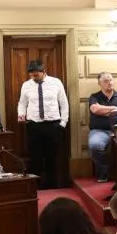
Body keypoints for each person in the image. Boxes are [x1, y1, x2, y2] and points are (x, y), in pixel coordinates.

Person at [17, 60, 69, 189]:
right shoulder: (26, 85)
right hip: (34, 126)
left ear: (44, 72)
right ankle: (36, 188)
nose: (33, 77)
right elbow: (22, 103)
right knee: (35, 158)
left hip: (53, 125)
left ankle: (52, 186)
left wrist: (63, 123)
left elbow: (64, 103)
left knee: (52, 158)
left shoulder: (56, 83)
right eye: (31, 75)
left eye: (36, 75)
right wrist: (21, 114)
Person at [88, 72, 117, 183]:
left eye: (111, 80)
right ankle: (105, 172)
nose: (109, 82)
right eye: (106, 81)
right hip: (99, 131)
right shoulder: (94, 97)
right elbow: (95, 109)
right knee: (95, 145)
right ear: (99, 84)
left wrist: (102, 110)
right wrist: (114, 108)